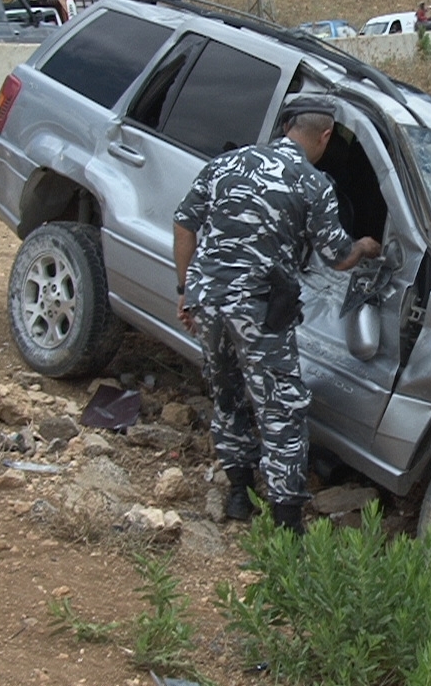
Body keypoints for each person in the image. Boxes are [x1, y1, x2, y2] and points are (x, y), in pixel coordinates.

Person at [172, 96, 381, 533]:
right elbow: (337, 256)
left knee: (227, 394)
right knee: (282, 408)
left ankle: (238, 494)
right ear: (324, 136)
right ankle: (287, 520)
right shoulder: (312, 182)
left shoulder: (228, 163)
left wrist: (185, 288)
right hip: (260, 309)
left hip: (208, 300)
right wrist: (365, 246)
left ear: (287, 126)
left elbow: (184, 221)